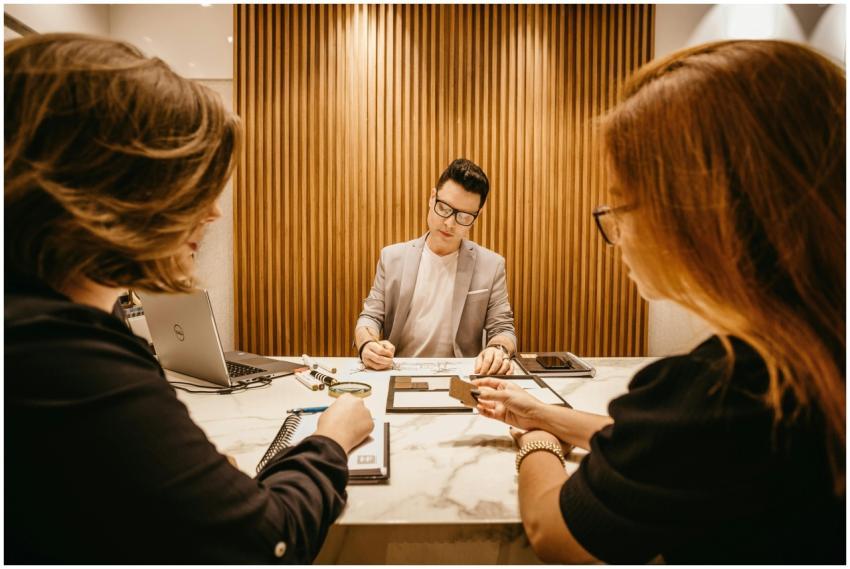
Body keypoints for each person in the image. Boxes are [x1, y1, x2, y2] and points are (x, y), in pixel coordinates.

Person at [5, 33, 374, 563]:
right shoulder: (64, 358)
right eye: (189, 184)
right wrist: (330, 441)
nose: (214, 212)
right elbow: (267, 542)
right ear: (107, 187)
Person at [474, 40, 845, 564]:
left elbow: (554, 532)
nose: (616, 233)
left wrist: (537, 440)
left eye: (620, 202)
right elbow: (672, 449)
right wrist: (547, 414)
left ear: (699, 212)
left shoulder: (729, 389)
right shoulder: (813, 353)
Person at [355, 158, 517, 374]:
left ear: (476, 216)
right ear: (432, 198)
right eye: (444, 208)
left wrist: (498, 349)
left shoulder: (491, 265)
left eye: (464, 216)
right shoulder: (392, 258)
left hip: (462, 376)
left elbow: (503, 328)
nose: (450, 223)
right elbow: (370, 317)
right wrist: (367, 344)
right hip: (400, 372)